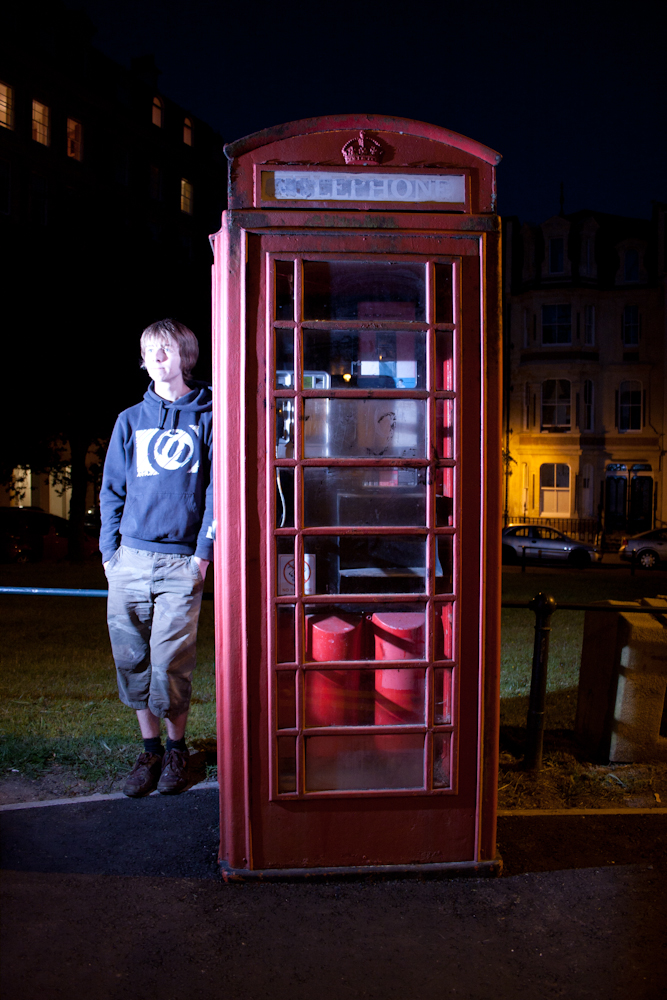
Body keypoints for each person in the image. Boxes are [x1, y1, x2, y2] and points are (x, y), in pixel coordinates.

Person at [99, 319, 214, 797]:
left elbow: (215, 491)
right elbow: (111, 491)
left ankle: (176, 751)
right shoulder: (130, 419)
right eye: (148, 351)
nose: (155, 358)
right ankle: (148, 754)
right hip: (129, 560)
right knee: (132, 661)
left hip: (180, 563)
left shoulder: (209, 415)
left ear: (184, 355)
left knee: (171, 664)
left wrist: (202, 556)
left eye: (164, 350)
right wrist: (109, 554)